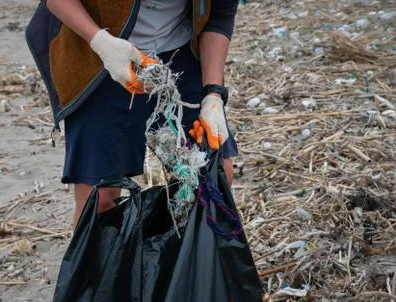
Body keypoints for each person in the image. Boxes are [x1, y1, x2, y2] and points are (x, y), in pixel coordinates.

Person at [26, 0, 240, 227]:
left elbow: (219, 14)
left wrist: (213, 95)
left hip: (180, 53)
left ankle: (186, 258)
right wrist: (101, 42)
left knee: (213, 176)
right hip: (99, 52)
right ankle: (101, 261)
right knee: (100, 197)